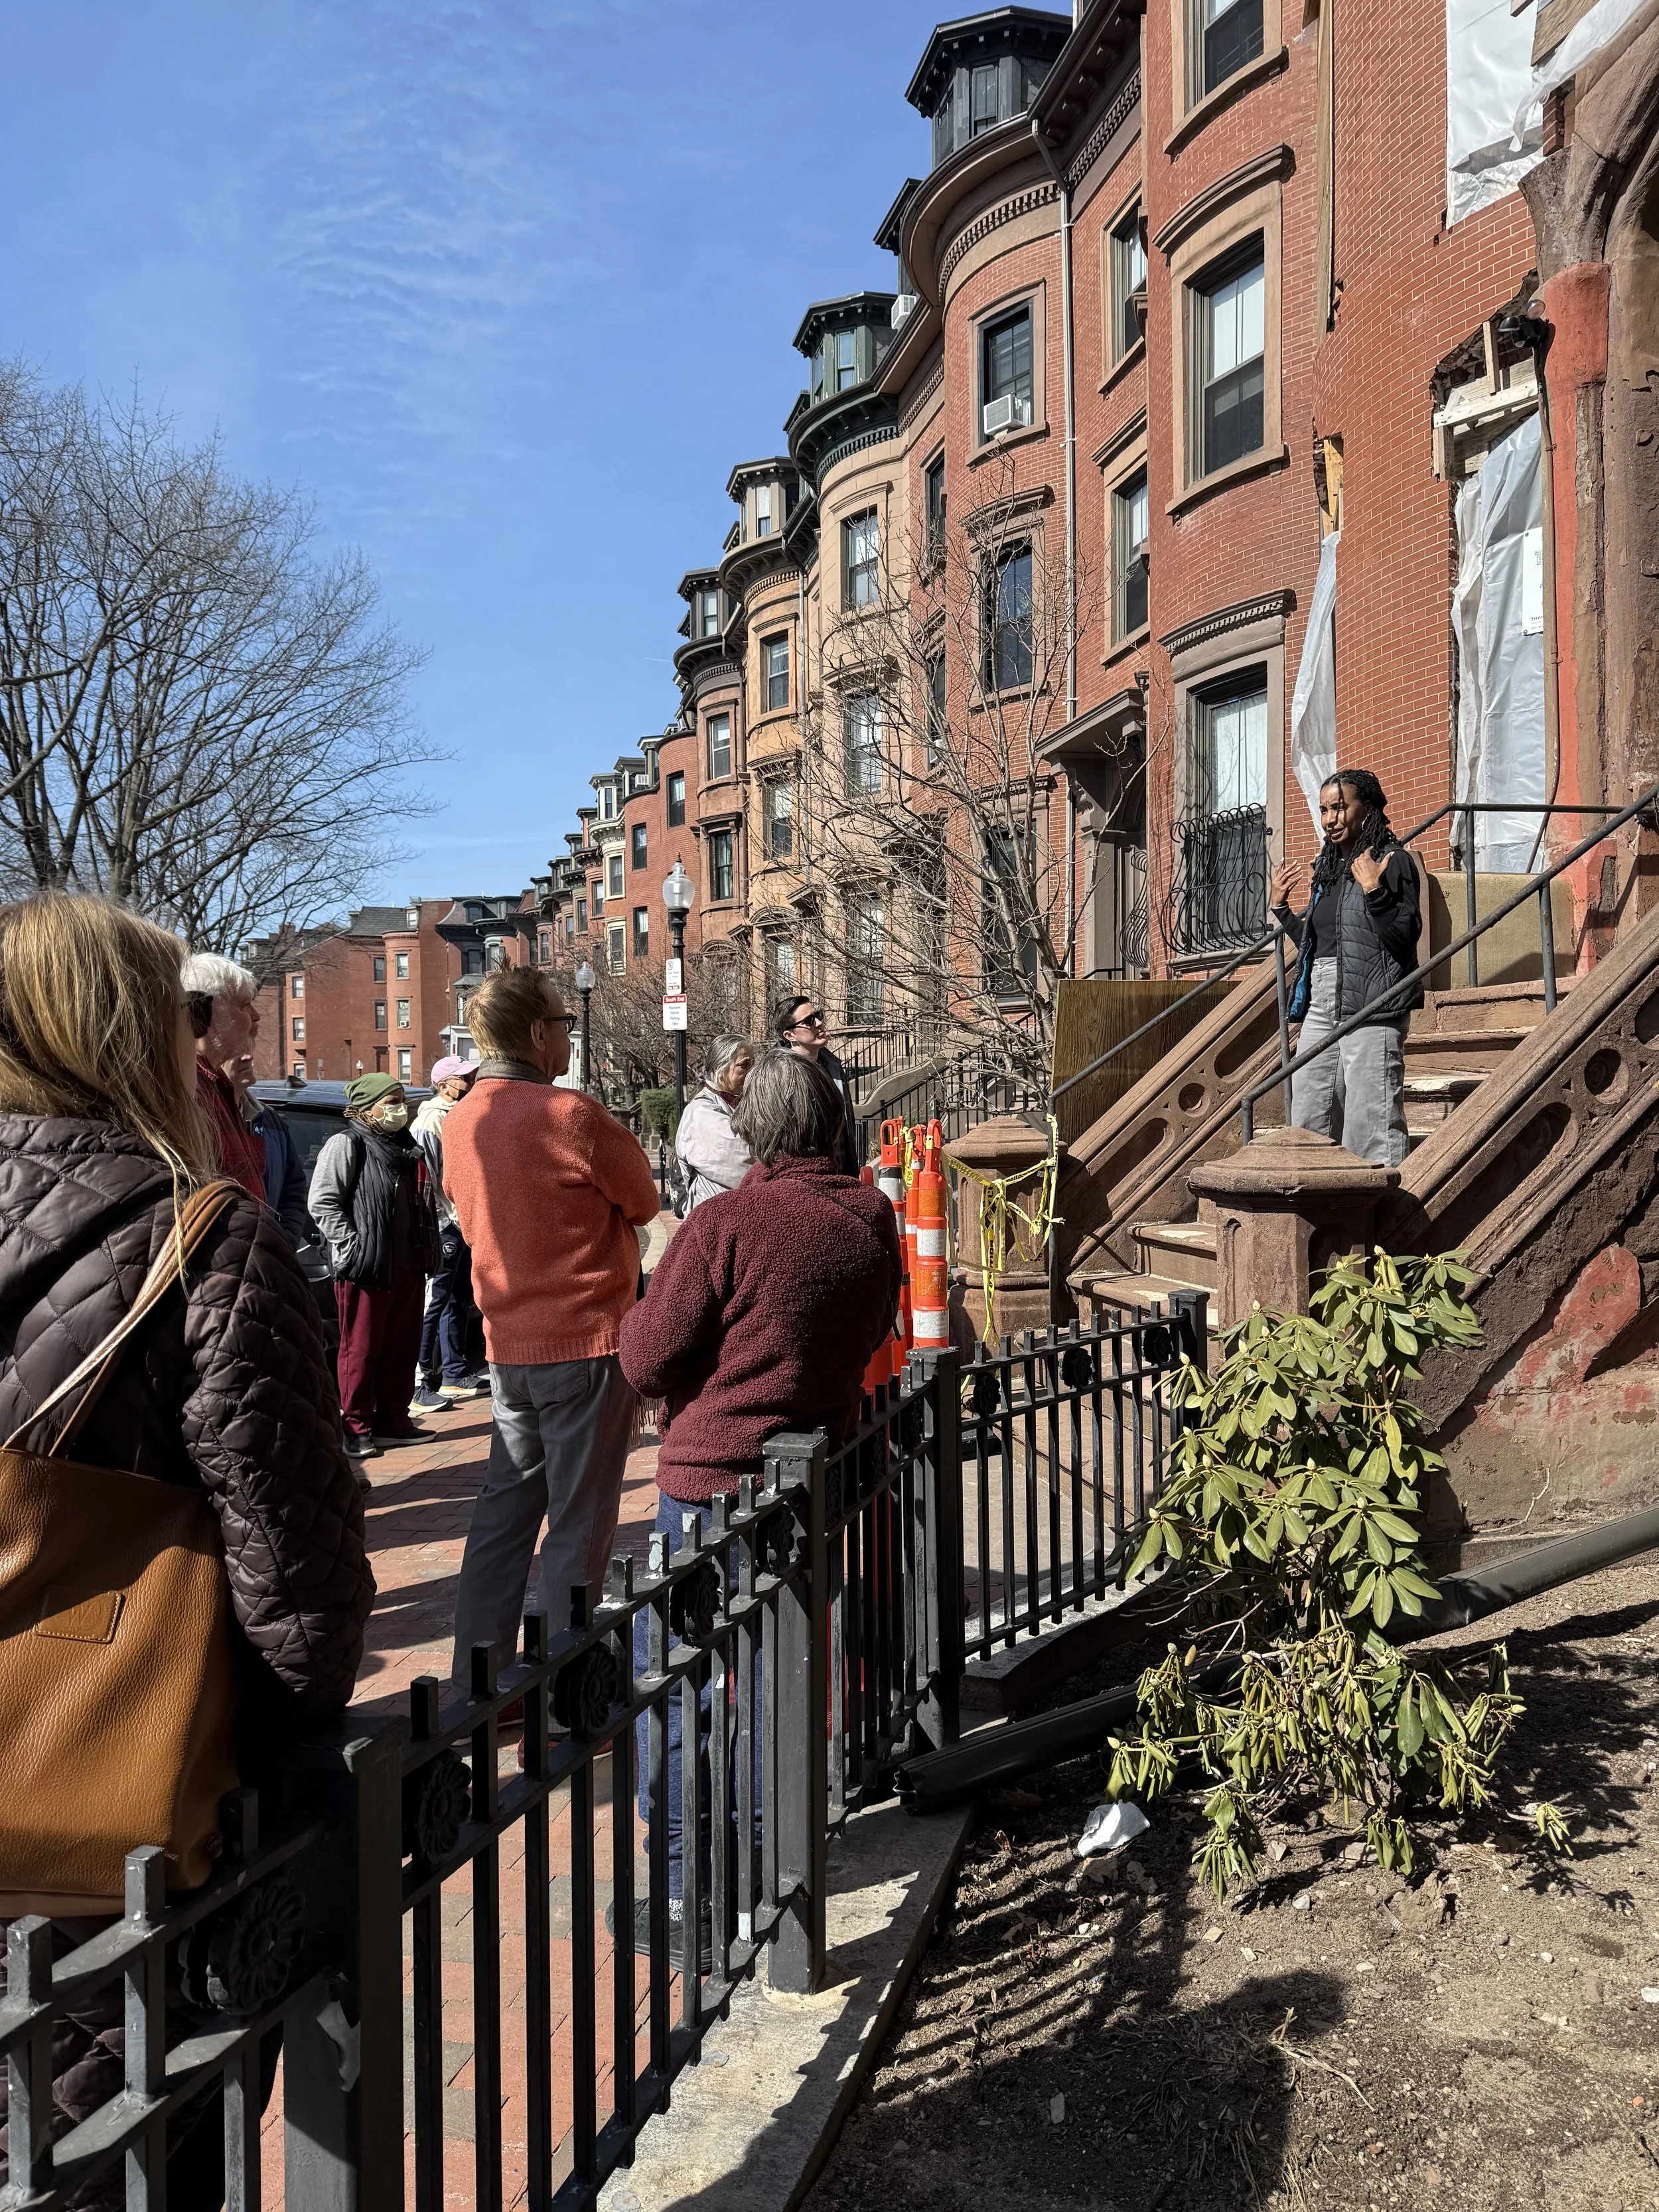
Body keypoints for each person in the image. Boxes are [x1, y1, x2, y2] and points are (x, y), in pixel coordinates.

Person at [0, 893, 372, 2209]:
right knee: (132, 2159)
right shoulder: (201, 1239)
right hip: (122, 1846)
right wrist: (259, 1761)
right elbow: (303, 1593)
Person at [616, 1052, 902, 1960]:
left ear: (757, 1130)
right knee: (775, 1685)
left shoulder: (724, 1223)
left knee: (682, 1695)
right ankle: (758, 1875)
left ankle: (680, 1893)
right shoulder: (873, 1219)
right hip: (808, 1479)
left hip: (706, 1486)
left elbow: (645, 1360)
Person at [441, 966, 660, 1693]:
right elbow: (644, 1199)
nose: (569, 1035)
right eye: (564, 1023)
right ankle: (567, 1688)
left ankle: (478, 1682)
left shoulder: (461, 1120)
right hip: (587, 1342)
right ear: (538, 1032)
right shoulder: (568, 1114)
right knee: (579, 1521)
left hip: (509, 1348)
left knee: (503, 1516)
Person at [1269, 768, 1423, 1169]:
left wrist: (1374, 889)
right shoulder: (1329, 872)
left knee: (1369, 1123)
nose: (1330, 819)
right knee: (1308, 1108)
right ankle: (1316, 1208)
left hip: (1373, 1001)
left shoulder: (1394, 862)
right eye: (1324, 810)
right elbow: (1319, 943)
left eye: (1340, 807)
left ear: (1367, 810)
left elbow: (1405, 936)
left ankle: (1383, 1219)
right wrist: (1282, 909)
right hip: (1323, 997)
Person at [308, 1072, 439, 1459]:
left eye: (402, 1100)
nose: (401, 1108)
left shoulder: (406, 1146)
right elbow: (323, 1202)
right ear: (367, 1109)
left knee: (402, 1346)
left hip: (408, 1263)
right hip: (367, 1266)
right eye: (392, 1101)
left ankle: (394, 1421)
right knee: (361, 1349)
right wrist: (350, 1245)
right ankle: (356, 1428)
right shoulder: (347, 1144)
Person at [411, 1055, 485, 1408]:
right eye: (465, 1079)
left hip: (458, 1221)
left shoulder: (456, 1115)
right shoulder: (432, 1120)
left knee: (456, 1299)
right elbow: (436, 1180)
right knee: (435, 1301)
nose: (471, 1084)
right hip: (444, 1225)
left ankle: (454, 1374)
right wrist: (453, 1217)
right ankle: (421, 1382)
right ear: (444, 1086)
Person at [179, 952, 267, 1199]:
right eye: (244, 1005)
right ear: (206, 1011)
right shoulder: (187, 1091)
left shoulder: (217, 1086)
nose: (256, 1016)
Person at [770, 991, 859, 1174]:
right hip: (804, 1179)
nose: (819, 1024)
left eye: (818, 1016)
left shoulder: (832, 1066)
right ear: (790, 1035)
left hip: (841, 1174)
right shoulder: (781, 1075)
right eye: (809, 1021)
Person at [672, 1034, 755, 1212]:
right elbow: (744, 1159)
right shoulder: (701, 1112)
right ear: (719, 1068)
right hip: (714, 1216)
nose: (752, 1071)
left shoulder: (742, 1102)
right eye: (744, 1065)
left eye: (753, 1064)